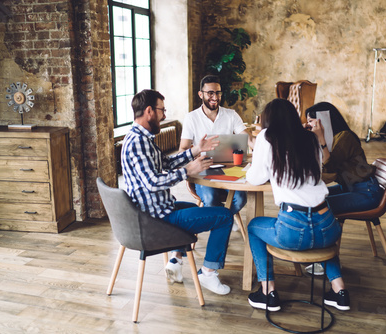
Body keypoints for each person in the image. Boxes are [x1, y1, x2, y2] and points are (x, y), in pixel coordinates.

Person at [121, 89, 234, 295]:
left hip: (156, 210)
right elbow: (153, 182)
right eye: (162, 110)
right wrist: (187, 171)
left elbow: (165, 163)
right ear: (149, 111)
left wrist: (195, 150)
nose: (164, 115)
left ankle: (175, 260)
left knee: (193, 208)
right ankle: (208, 273)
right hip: (155, 219)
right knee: (224, 216)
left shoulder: (142, 138)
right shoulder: (137, 143)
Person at [245, 98, 350, 312]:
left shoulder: (266, 136)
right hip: (328, 227)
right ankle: (340, 292)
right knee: (324, 236)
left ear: (268, 119)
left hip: (293, 230)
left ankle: (268, 292)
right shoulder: (310, 138)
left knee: (254, 227)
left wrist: (255, 156)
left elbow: (255, 178)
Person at [180, 75, 254, 216]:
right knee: (210, 198)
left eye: (218, 93)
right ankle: (224, 219)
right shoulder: (191, 118)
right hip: (203, 171)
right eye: (210, 93)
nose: (215, 97)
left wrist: (265, 143)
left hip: (230, 169)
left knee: (241, 198)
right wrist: (194, 158)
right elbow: (182, 149)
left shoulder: (231, 115)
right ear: (200, 94)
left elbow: (248, 138)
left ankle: (223, 218)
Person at [305, 102, 383, 215]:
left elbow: (329, 167)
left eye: (310, 121)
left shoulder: (345, 137)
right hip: (347, 188)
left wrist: (320, 138)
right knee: (309, 200)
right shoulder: (331, 139)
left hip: (365, 192)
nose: (308, 125)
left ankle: (328, 232)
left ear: (323, 120)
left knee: (316, 207)